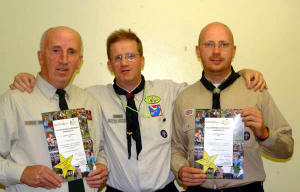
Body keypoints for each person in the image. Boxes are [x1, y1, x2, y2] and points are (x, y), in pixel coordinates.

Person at [9, 29, 267, 192]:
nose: (124, 63)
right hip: (117, 190)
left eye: (131, 56)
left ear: (142, 60)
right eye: (118, 58)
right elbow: (57, 89)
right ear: (109, 65)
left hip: (164, 190)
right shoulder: (90, 98)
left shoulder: (171, 91)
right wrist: (31, 79)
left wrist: (241, 74)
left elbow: (208, 87)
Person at [171, 22, 294, 191]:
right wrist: (180, 169)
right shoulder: (185, 98)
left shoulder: (256, 92)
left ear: (233, 50)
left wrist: (265, 134)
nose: (216, 51)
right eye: (209, 44)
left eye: (223, 44)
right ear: (198, 51)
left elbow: (287, 148)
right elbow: (176, 147)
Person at [0, 26, 108, 192]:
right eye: (56, 50)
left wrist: (101, 165)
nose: (64, 59)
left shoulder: (89, 102)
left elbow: (99, 148)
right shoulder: (15, 100)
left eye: (71, 52)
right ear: (41, 57)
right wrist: (22, 173)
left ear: (79, 61)